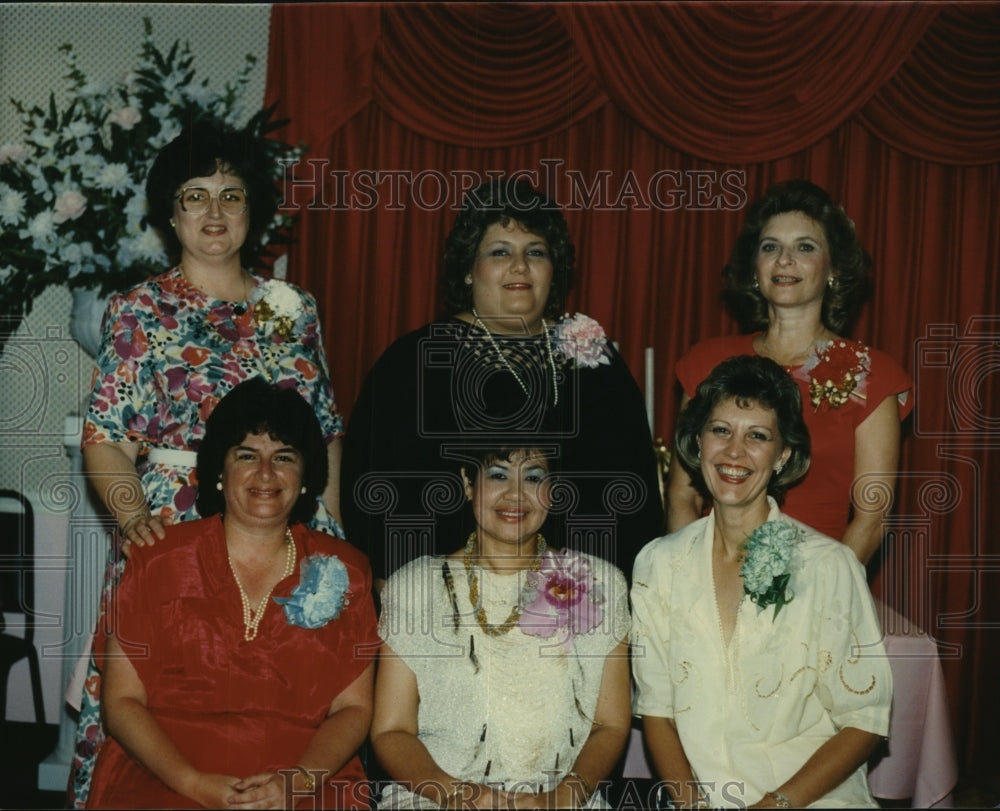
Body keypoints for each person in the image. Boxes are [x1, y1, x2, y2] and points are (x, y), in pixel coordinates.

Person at [70, 119, 345, 807]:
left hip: (281, 532)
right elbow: (104, 438)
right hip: (174, 531)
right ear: (171, 212)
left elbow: (325, 433)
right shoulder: (139, 309)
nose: (215, 213)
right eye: (195, 196)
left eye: (231, 194)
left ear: (254, 209)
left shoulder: (293, 308)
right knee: (163, 715)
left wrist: (332, 529)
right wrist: (135, 523)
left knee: (278, 714)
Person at [341, 177, 663, 588]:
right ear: (469, 272)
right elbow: (373, 497)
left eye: (536, 252)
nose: (519, 266)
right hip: (450, 598)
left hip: (578, 601)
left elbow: (634, 495)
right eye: (499, 252)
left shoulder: (596, 362)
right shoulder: (415, 362)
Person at [85, 377, 378, 809]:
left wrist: (296, 783)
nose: (265, 473)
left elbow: (353, 711)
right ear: (219, 471)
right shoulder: (159, 559)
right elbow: (122, 703)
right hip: (167, 772)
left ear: (305, 475)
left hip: (304, 776)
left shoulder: (348, 569)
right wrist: (193, 784)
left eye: (284, 457)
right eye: (246, 455)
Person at [632, 355, 892, 809]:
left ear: (783, 455)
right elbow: (658, 711)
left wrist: (774, 806)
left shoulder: (828, 565)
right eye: (721, 431)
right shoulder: (658, 563)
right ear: (697, 443)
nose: (735, 453)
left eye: (757, 436)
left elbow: (863, 720)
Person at [667, 179, 913, 566]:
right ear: (755, 268)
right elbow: (683, 496)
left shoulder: (874, 375)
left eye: (804, 247)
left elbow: (873, 517)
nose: (785, 260)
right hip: (710, 575)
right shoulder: (706, 362)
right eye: (771, 248)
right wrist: (690, 576)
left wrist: (819, 593)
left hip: (818, 582)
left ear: (832, 269)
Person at [371, 447, 631, 809]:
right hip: (435, 797)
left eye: (534, 477)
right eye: (498, 474)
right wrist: (455, 794)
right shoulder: (416, 587)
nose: (516, 493)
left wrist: (559, 799)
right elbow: (392, 729)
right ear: (467, 483)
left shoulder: (600, 582)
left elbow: (611, 723)